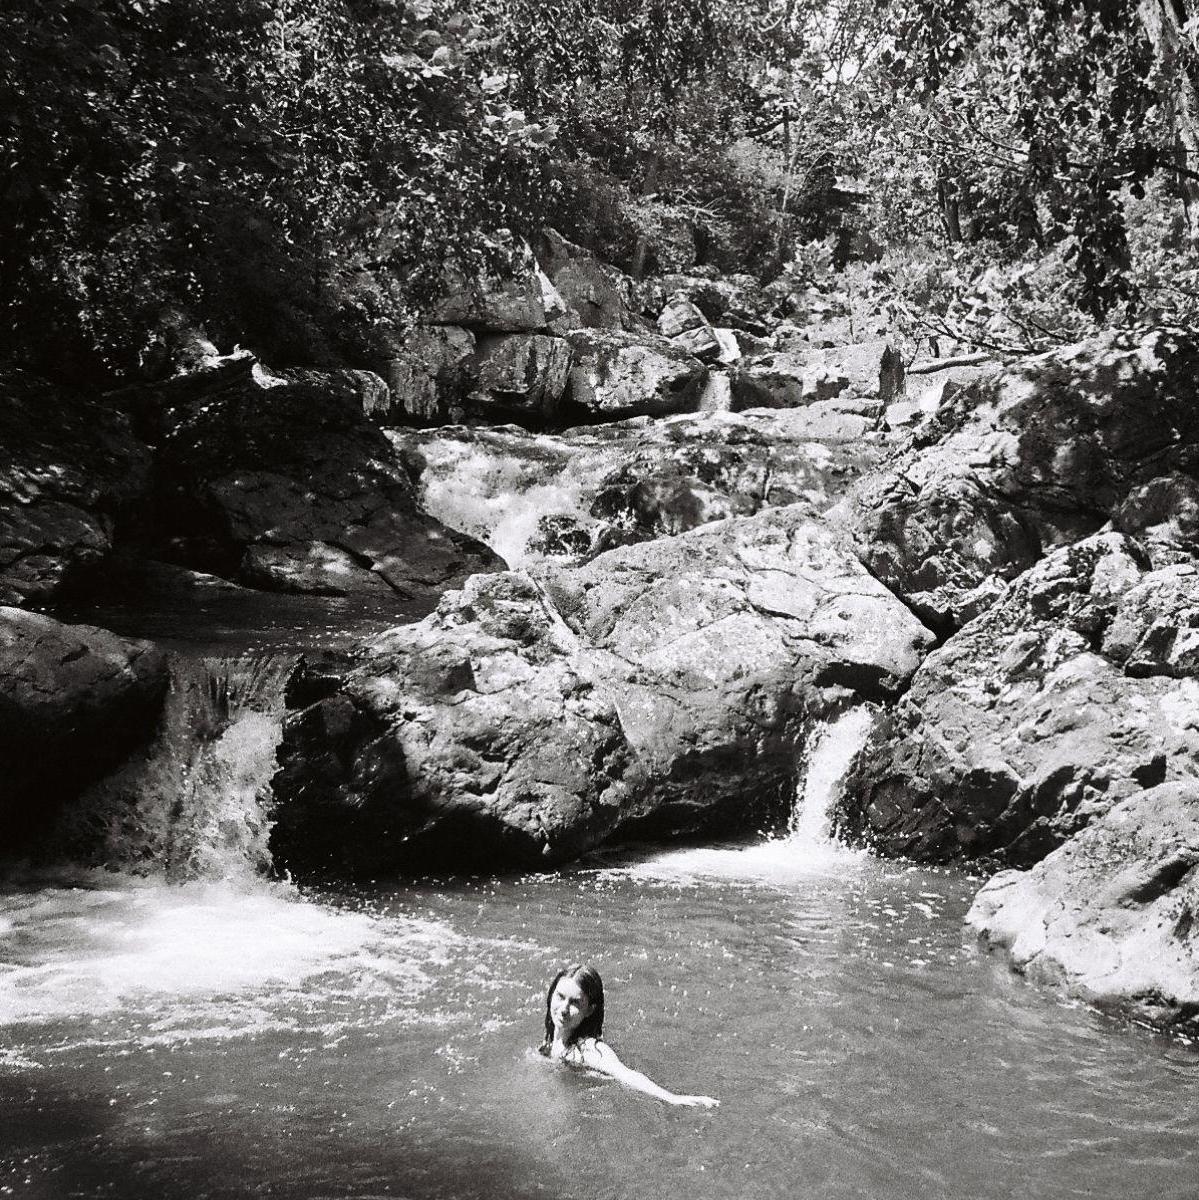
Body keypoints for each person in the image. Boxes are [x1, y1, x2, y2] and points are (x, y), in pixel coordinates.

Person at [538, 964, 719, 1108]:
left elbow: (626, 1074)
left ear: (589, 1010)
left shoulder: (589, 1049)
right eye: (560, 996)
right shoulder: (549, 1041)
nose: (563, 1009)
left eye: (575, 1002)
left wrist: (672, 1098)